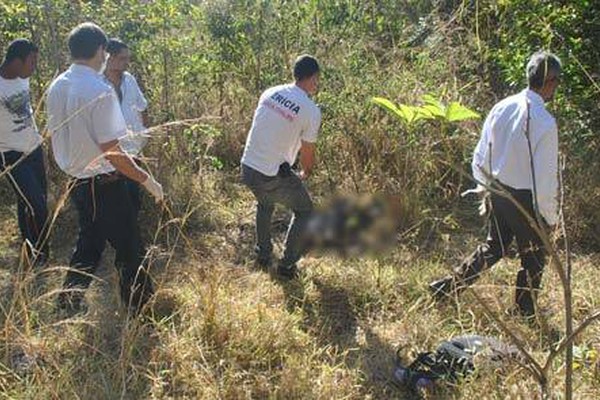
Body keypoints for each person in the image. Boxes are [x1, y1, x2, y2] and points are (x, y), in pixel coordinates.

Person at [429, 51, 561, 318]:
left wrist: (484, 186)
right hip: (524, 199)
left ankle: (447, 288)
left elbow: (480, 153)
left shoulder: (503, 106)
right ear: (550, 81)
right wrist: (550, 216)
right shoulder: (545, 122)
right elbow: (546, 179)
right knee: (534, 256)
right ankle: (524, 313)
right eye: (557, 82)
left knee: (495, 247)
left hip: (497, 189)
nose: (556, 88)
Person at [46, 23, 164, 315]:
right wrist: (145, 179)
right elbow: (112, 150)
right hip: (105, 181)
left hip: (77, 181)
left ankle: (68, 304)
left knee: (90, 243)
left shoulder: (57, 85)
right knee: (129, 246)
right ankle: (141, 310)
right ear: (100, 51)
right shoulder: (99, 89)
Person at [241, 54, 322, 279]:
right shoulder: (310, 110)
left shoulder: (271, 92)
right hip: (271, 174)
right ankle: (287, 266)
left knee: (265, 203)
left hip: (248, 167)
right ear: (314, 78)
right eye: (317, 79)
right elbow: (308, 152)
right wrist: (306, 171)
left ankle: (263, 255)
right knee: (305, 210)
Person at [0, 39, 49, 266]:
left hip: (34, 149)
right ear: (16, 61)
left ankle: (29, 249)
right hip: (10, 155)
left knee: (30, 202)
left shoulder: (23, 79)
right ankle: (40, 257)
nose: (34, 66)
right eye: (32, 61)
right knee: (35, 204)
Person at [104, 38, 149, 214]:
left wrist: (146, 133)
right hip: (111, 152)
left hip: (133, 149)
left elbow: (142, 106)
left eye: (127, 58)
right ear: (109, 58)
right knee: (115, 202)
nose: (126, 62)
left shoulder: (129, 79)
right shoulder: (97, 82)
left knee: (133, 197)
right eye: (122, 58)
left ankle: (132, 233)